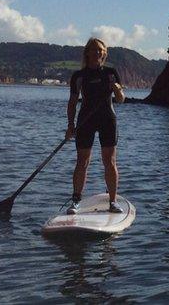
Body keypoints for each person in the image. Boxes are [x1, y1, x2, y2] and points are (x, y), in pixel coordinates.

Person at [65, 38, 125, 214]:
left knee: (110, 161)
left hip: (107, 120)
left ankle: (113, 201)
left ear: (104, 53)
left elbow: (121, 100)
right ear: (87, 53)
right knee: (82, 162)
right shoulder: (79, 76)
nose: (97, 53)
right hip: (86, 121)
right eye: (94, 50)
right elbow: (72, 102)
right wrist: (70, 125)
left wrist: (117, 90)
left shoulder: (111, 73)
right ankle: (76, 201)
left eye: (100, 50)